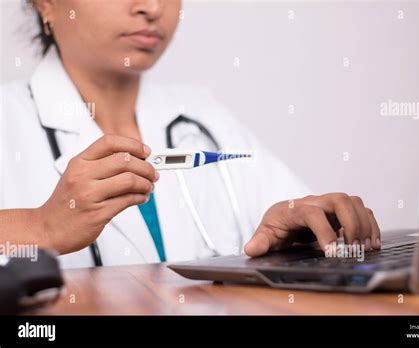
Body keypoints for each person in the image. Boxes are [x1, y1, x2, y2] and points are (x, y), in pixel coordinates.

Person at [0, 0, 380, 268]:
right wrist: (40, 227)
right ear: (45, 4)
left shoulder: (203, 116)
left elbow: (293, 216)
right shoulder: (8, 119)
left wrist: (302, 235)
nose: (152, 7)